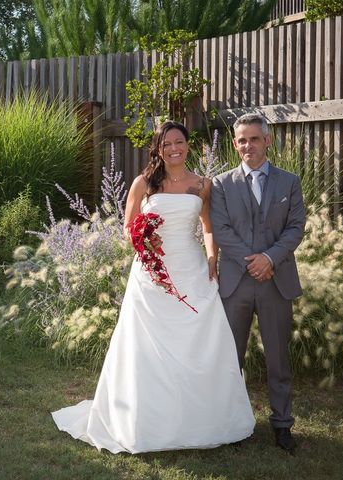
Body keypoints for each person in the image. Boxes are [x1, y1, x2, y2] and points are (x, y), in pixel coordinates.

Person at [51, 121, 255, 454]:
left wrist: (212, 257)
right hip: (151, 273)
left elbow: (207, 228)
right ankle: (145, 420)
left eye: (179, 142)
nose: (174, 148)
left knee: (198, 339)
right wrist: (144, 244)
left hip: (190, 270)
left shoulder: (202, 185)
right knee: (147, 344)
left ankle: (201, 418)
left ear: (188, 145)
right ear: (158, 149)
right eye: (167, 144)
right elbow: (128, 228)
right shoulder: (143, 183)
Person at [209, 113, 306, 454]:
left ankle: (282, 425)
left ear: (268, 141)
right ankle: (229, 424)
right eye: (241, 140)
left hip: (275, 281)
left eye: (254, 138)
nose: (247, 145)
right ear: (235, 145)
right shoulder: (221, 184)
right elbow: (221, 231)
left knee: (278, 359)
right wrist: (254, 261)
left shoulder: (289, 182)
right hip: (236, 283)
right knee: (229, 358)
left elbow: (295, 228)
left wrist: (270, 259)